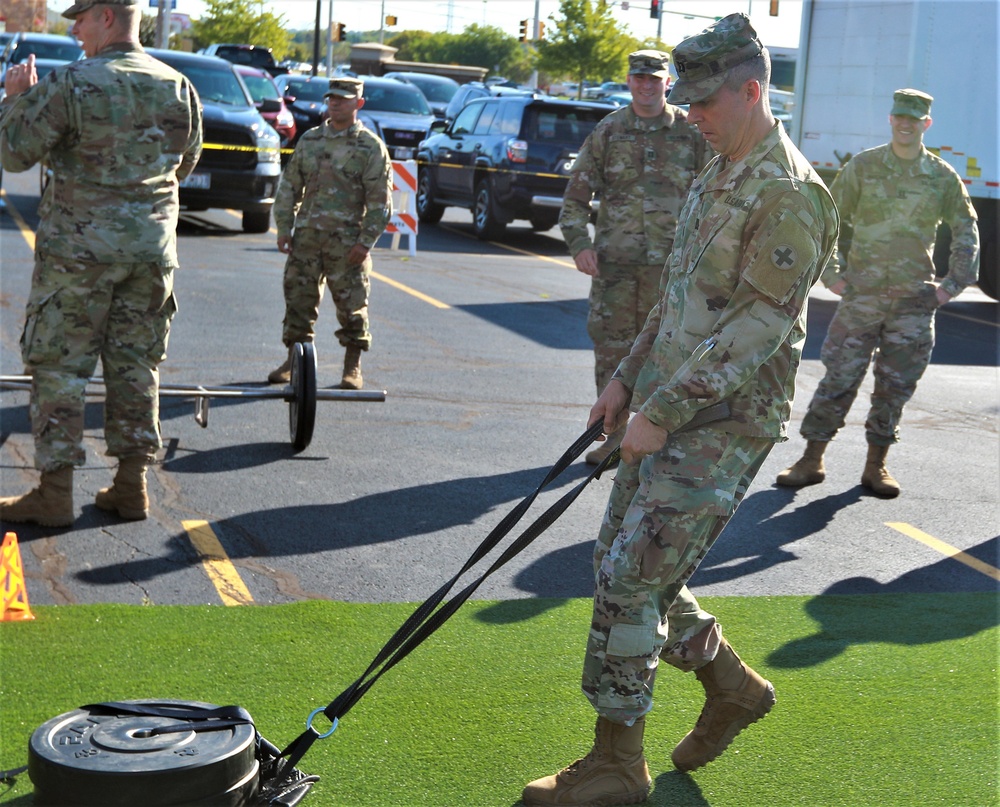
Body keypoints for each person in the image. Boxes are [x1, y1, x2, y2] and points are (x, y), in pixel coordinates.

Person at [521, 14, 839, 806]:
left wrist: (659, 408)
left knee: (631, 574)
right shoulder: (719, 166)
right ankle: (733, 687)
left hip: (726, 420)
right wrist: (625, 379)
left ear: (752, 90)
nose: (688, 112)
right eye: (686, 100)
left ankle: (616, 765)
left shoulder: (790, 190)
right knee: (622, 568)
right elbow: (678, 298)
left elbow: (756, 329)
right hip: (665, 402)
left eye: (702, 100)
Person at [0, 0, 202, 528]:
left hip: (78, 255)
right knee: (137, 366)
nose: (75, 31)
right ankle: (131, 487)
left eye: (81, 20)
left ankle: (55, 494)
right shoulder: (177, 85)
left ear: (107, 17)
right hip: (151, 253)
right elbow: (188, 160)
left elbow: (15, 153)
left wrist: (16, 99)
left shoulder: (72, 82)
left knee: (60, 367)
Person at [776, 89, 980, 497]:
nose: (905, 124)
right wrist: (830, 275)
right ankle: (811, 459)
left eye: (914, 119)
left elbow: (966, 228)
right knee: (839, 378)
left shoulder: (940, 176)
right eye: (899, 116)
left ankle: (876, 466)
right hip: (862, 297)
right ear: (890, 119)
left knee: (895, 385)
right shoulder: (864, 167)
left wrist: (952, 286)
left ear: (927, 124)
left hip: (913, 303)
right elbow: (827, 216)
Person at [560, 50, 710, 466]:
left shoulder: (691, 132)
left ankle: (658, 433)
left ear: (667, 83)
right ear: (629, 81)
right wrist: (579, 244)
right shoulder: (609, 131)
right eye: (639, 78)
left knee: (673, 352)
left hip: (674, 271)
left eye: (655, 78)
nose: (646, 85)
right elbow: (575, 199)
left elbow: (718, 191)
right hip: (616, 269)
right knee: (612, 351)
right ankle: (611, 436)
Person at [268, 77, 393, 390]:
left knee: (352, 305)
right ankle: (294, 361)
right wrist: (284, 226)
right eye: (331, 98)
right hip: (307, 238)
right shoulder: (311, 140)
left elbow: (380, 201)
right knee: (298, 300)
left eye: (343, 98)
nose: (335, 103)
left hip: (347, 242)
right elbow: (290, 186)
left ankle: (352, 366)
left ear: (358, 103)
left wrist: (365, 243)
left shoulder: (370, 147)